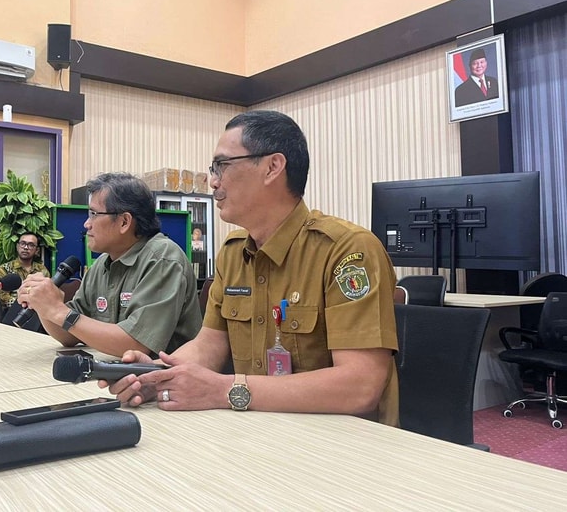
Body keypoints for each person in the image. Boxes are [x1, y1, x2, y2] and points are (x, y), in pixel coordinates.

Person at [103, 111, 399, 426]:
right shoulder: (233, 253)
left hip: (342, 442)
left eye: (222, 165)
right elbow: (209, 345)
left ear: (272, 167)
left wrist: (226, 390)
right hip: (259, 430)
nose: (213, 181)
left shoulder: (347, 250)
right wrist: (157, 375)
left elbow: (360, 386)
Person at [18, 172, 202, 357]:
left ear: (124, 222)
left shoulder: (162, 259)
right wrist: (44, 305)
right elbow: (70, 335)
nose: (86, 224)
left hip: (163, 372)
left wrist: (58, 311)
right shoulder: (102, 264)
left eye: (94, 214)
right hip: (116, 369)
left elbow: (136, 344)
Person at [0, 232, 49, 315]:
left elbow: (47, 294)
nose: (26, 247)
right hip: (12, 312)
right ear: (17, 246)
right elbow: (3, 296)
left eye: (31, 245)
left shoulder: (42, 270)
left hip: (37, 313)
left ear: (36, 250)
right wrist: (23, 305)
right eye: (23, 244)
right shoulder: (4, 268)